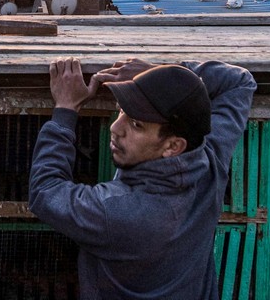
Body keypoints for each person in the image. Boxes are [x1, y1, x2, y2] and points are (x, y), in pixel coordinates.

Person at [29, 56, 256, 299]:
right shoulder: (208, 161)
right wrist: (161, 77)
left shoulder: (118, 212)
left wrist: (65, 110)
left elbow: (46, 191)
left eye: (136, 124)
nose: (116, 128)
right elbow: (240, 82)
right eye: (122, 111)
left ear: (172, 146)